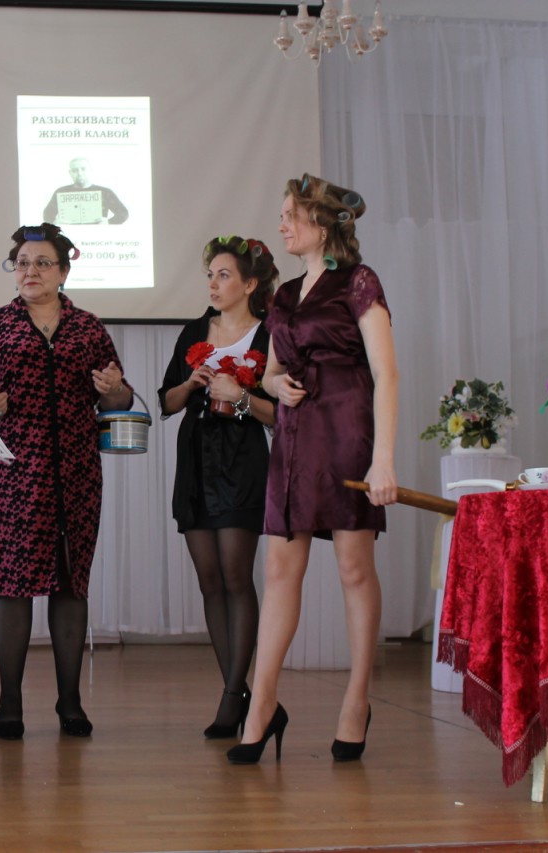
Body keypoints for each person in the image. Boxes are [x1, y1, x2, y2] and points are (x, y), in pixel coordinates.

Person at [228, 174, 398, 766]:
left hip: (348, 432)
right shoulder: (283, 295)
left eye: (289, 215)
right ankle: (262, 706)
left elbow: (386, 373)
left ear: (321, 225)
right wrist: (277, 386)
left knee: (353, 568)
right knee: (278, 570)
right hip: (295, 440)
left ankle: (357, 700)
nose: (280, 225)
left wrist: (383, 459)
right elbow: (271, 371)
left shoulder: (359, 281)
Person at [0, 223, 133, 740]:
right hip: (11, 473)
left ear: (64, 271)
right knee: (12, 586)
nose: (30, 271)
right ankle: (10, 703)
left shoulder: (88, 328)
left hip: (76, 473)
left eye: (42, 263)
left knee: (71, 584)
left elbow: (119, 400)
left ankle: (69, 701)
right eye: (22, 263)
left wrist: (114, 388)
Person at [158, 235, 278, 739]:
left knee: (235, 576)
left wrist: (240, 397)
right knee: (208, 580)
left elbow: (281, 415)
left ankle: (233, 696)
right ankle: (240, 692)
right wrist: (191, 384)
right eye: (210, 275)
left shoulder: (270, 335)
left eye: (224, 275)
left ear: (249, 284)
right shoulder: (194, 330)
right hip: (197, 459)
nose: (213, 283)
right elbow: (167, 403)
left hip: (242, 460)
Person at [43, 157, 129, 225]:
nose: (79, 173)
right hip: (69, 236)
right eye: (75, 170)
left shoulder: (105, 192)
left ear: (90, 170)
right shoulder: (61, 192)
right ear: (70, 173)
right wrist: (54, 223)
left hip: (97, 236)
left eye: (83, 169)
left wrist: (109, 222)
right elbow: (47, 214)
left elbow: (123, 213)